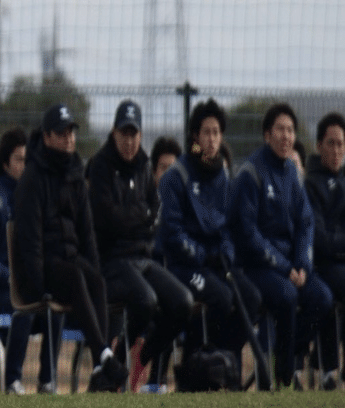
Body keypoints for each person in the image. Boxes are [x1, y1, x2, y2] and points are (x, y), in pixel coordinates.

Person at [13, 104, 128, 393]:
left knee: (96, 280)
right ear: (48, 136)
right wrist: (39, 287)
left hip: (70, 260)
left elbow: (86, 231)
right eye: (62, 133)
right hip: (42, 270)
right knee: (76, 278)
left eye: (71, 133)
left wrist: (93, 265)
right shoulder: (32, 178)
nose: (69, 139)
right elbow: (30, 239)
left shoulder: (75, 173)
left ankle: (101, 365)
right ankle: (104, 353)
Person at [88, 99, 193, 391]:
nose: (130, 141)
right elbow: (109, 219)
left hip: (142, 258)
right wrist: (139, 216)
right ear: (114, 133)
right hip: (111, 261)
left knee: (182, 302)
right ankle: (114, 368)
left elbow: (153, 209)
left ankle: (137, 359)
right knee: (145, 301)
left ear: (141, 134)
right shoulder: (100, 166)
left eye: (134, 134)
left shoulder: (144, 165)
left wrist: (133, 218)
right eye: (124, 133)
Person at [229, 102, 333, 389]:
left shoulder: (293, 174)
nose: (287, 136)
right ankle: (284, 379)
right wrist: (286, 267)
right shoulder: (251, 173)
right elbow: (248, 235)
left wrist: (302, 263)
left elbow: (305, 223)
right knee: (287, 296)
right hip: (258, 267)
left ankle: (282, 356)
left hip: (291, 266)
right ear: (267, 135)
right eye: (280, 129)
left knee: (322, 298)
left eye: (291, 130)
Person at [156, 98, 261, 376]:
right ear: (195, 136)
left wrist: (225, 249)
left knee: (251, 298)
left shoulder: (222, 175)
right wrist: (201, 254)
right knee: (221, 298)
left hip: (217, 264)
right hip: (184, 267)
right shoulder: (176, 176)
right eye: (207, 132)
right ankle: (195, 364)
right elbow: (172, 233)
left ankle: (217, 362)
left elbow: (227, 227)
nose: (212, 139)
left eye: (216, 132)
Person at [0, 127, 62, 394]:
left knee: (53, 309)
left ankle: (47, 382)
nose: (26, 165)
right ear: (5, 163)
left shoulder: (31, 201)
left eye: (29, 160)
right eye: (20, 159)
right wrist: (15, 281)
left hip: (23, 294)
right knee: (23, 307)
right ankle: (11, 381)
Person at [303, 111, 345, 389]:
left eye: (341, 144)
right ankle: (327, 369)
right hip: (321, 266)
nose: (337, 150)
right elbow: (319, 239)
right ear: (319, 146)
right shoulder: (309, 184)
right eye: (331, 143)